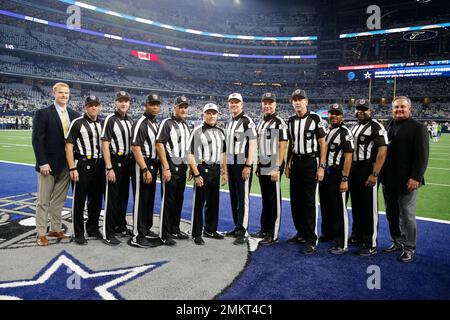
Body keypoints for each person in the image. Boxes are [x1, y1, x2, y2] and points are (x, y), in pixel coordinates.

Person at [380, 96, 429, 262]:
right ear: (392, 109)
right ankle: (396, 241)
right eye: (396, 107)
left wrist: (416, 177)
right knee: (391, 214)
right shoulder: (387, 124)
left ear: (409, 109)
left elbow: (422, 155)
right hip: (388, 179)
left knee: (407, 215)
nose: (399, 110)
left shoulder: (418, 127)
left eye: (402, 107)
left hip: (407, 180)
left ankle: (409, 247)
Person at [32, 82, 80, 246]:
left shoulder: (74, 114)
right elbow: (37, 140)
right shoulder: (43, 113)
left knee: (59, 201)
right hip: (48, 165)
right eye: (61, 93)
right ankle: (40, 233)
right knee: (43, 201)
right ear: (54, 94)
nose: (64, 96)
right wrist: (42, 162)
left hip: (67, 165)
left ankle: (55, 228)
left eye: (66, 93)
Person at [285, 89, 327, 254]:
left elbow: (323, 144)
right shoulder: (291, 120)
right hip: (296, 162)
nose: (297, 102)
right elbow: (291, 144)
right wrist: (288, 164)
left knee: (309, 201)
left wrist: (321, 167)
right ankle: (301, 233)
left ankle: (311, 238)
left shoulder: (315, 118)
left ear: (306, 102)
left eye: (300, 99)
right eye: (294, 99)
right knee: (296, 200)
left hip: (311, 162)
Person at [348, 99, 388, 256]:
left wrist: (375, 173)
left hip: (367, 169)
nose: (361, 111)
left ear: (370, 111)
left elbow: (382, 151)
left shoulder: (376, 126)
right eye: (358, 109)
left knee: (369, 207)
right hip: (354, 169)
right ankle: (357, 236)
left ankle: (370, 242)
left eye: (364, 109)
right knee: (357, 205)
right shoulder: (355, 127)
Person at [65, 95, 104, 245]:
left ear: (99, 107)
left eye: (96, 105)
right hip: (82, 164)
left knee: (96, 200)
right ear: (85, 107)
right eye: (90, 105)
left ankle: (93, 228)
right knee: (79, 200)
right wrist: (72, 167)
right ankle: (79, 232)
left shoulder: (103, 122)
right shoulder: (78, 122)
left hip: (98, 165)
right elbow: (68, 146)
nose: (93, 107)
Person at [187, 103, 228, 245]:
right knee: (199, 202)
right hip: (202, 168)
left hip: (216, 169)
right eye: (208, 113)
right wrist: (197, 174)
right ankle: (196, 232)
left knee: (213, 202)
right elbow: (190, 154)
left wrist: (224, 171)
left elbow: (223, 152)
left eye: (214, 113)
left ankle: (210, 229)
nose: (211, 115)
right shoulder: (198, 131)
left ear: (217, 115)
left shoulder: (221, 132)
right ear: (203, 114)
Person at [252, 93, 288, 245]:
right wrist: (259, 164)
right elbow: (261, 146)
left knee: (274, 201)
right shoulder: (261, 123)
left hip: (274, 163)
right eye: (265, 103)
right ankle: (264, 229)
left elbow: (283, 145)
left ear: (275, 105)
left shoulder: (279, 122)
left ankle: (273, 234)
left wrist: (277, 167)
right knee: (266, 199)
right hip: (264, 163)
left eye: (270, 103)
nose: (267, 105)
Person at [318, 104, 354, 255]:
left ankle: (342, 242)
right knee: (326, 206)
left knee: (339, 208)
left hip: (338, 173)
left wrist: (345, 178)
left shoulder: (345, 132)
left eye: (337, 114)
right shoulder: (327, 130)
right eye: (331, 113)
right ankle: (328, 234)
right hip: (326, 174)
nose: (333, 116)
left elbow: (348, 156)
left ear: (342, 117)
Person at [156, 95, 191, 246]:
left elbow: (187, 148)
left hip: (182, 165)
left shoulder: (185, 125)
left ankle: (175, 228)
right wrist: (166, 167)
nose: (183, 110)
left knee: (179, 199)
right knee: (168, 201)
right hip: (171, 164)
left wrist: (189, 166)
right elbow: (159, 144)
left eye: (185, 107)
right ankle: (164, 233)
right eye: (180, 107)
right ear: (174, 108)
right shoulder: (167, 123)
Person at [129, 93, 163, 248]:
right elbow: (135, 147)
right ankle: (137, 235)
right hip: (143, 163)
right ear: (146, 105)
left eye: (157, 104)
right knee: (141, 199)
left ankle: (146, 229)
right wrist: (144, 168)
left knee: (149, 199)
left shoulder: (154, 122)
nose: (155, 107)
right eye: (152, 104)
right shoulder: (141, 122)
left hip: (152, 164)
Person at [101, 91, 134, 245]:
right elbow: (105, 144)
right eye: (120, 101)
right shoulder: (110, 119)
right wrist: (109, 167)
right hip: (115, 161)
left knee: (123, 197)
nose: (123, 103)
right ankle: (108, 232)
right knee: (112, 198)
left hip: (127, 162)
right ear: (115, 103)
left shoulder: (130, 120)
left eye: (126, 101)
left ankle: (120, 225)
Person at [224, 93, 257, 245]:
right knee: (234, 197)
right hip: (231, 164)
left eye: (236, 102)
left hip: (242, 164)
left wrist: (248, 165)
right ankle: (237, 227)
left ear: (242, 105)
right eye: (231, 102)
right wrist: (224, 167)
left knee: (243, 198)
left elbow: (253, 143)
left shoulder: (247, 121)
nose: (234, 105)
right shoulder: (229, 122)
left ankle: (243, 230)